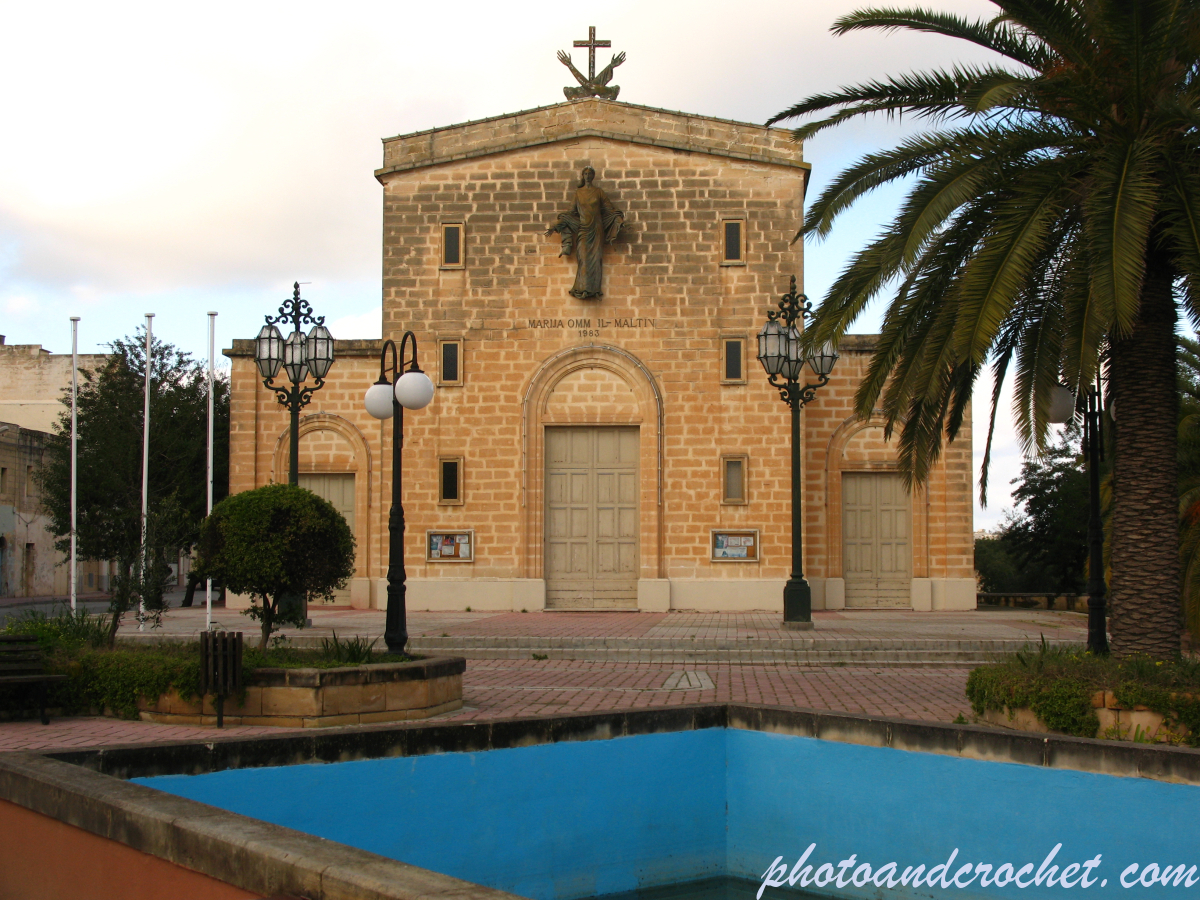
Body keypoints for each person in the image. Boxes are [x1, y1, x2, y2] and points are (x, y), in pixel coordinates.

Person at [546, 166, 624, 299]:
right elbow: (570, 212)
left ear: (593, 176)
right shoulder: (578, 193)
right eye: (585, 173)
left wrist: (618, 219)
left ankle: (594, 289)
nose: (588, 176)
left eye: (590, 173)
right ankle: (581, 288)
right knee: (582, 257)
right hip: (583, 228)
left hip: (596, 229)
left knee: (596, 258)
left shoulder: (598, 192)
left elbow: (609, 208)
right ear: (583, 176)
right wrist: (557, 225)